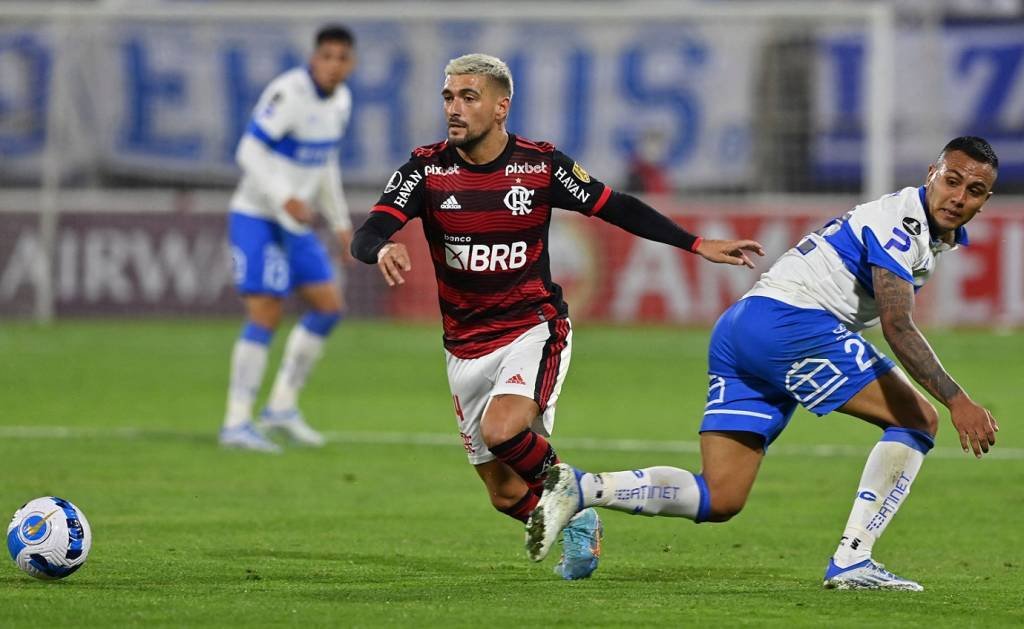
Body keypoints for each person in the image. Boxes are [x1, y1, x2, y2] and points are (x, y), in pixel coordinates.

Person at [350, 53, 764, 580]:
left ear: (502, 107)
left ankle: (574, 493)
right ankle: (577, 517)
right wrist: (382, 246)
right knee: (503, 495)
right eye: (449, 97)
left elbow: (617, 206)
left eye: (468, 97)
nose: (454, 108)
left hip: (533, 328)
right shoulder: (426, 170)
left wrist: (697, 242)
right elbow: (370, 230)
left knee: (504, 430)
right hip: (464, 346)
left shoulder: (540, 166)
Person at [527, 137, 1001, 591]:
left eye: (974, 190)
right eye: (951, 180)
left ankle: (584, 488)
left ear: (985, 200)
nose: (958, 197)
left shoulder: (926, 230)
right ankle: (854, 558)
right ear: (930, 175)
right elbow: (898, 325)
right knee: (919, 419)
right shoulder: (903, 223)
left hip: (742, 328)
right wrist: (959, 400)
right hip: (790, 325)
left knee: (720, 495)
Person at [219, 25, 357, 453]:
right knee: (265, 313)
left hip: (295, 224)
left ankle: (280, 407)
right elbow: (248, 151)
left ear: (350, 64)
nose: (334, 65)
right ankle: (236, 422)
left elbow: (325, 162)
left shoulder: (341, 102)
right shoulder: (288, 94)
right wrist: (284, 196)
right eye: (327, 56)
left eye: (342, 58)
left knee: (329, 307)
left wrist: (338, 218)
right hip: (257, 216)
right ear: (314, 58)